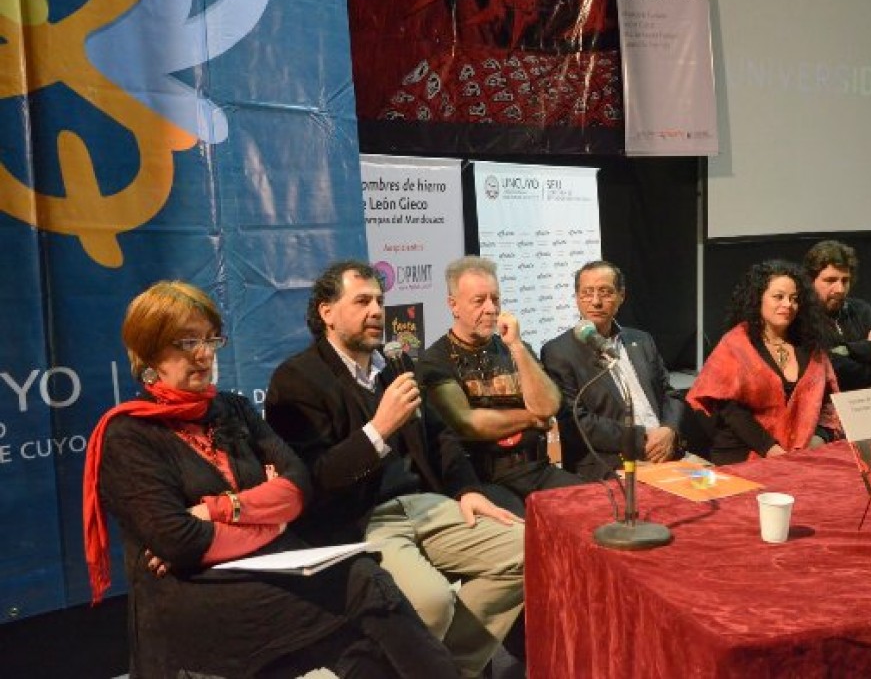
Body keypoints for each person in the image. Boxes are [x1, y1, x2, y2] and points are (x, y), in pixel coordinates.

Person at [83, 281, 456, 679]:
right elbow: (180, 541)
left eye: (211, 340)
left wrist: (220, 509)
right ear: (148, 353)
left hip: (267, 565)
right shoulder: (127, 435)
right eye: (186, 341)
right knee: (366, 588)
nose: (204, 354)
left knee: (369, 599)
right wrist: (271, 519)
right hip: (193, 591)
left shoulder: (233, 409)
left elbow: (298, 487)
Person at [265, 261, 523, 679]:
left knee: (528, 549)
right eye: (362, 301)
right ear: (326, 312)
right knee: (432, 601)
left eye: (380, 301)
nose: (376, 311)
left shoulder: (396, 366)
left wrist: (467, 490)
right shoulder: (296, 380)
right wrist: (377, 430)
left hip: (426, 504)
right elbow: (313, 479)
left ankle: (444, 669)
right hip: (363, 518)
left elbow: (442, 439)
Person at [416, 256, 583, 516]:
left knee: (598, 506)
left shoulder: (515, 348)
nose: (491, 308)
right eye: (479, 300)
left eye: (495, 299)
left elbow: (549, 405)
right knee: (526, 533)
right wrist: (530, 417)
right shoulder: (434, 360)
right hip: (485, 480)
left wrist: (516, 346)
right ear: (453, 305)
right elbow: (468, 423)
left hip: (537, 469)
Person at [541, 260, 699, 481]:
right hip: (609, 463)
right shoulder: (558, 352)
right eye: (587, 293)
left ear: (621, 296)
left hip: (667, 451)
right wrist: (643, 439)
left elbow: (669, 393)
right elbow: (577, 422)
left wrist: (669, 430)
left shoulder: (641, 340)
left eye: (605, 292)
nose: (595, 301)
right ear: (577, 298)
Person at [686, 260, 841, 464]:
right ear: (758, 299)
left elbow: (829, 404)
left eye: (794, 299)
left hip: (802, 454)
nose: (788, 304)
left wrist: (818, 439)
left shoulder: (810, 346)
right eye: (778, 297)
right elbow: (730, 411)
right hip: (744, 454)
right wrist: (772, 450)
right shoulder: (735, 344)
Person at [803, 239, 871, 391]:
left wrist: (848, 350)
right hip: (835, 405)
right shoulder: (802, 317)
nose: (839, 289)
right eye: (830, 280)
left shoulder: (859, 309)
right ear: (809, 281)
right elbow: (831, 368)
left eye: (845, 280)